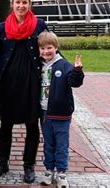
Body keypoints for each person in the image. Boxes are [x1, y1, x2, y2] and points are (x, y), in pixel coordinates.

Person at [0, 0, 48, 183]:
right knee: (6, 124)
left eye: (25, 2)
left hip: (32, 83)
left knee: (32, 125)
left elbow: (50, 50)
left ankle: (28, 166)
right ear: (12, 4)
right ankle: (2, 162)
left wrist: (67, 71)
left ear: (30, 4)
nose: (21, 6)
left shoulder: (39, 26)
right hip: (9, 83)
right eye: (18, 2)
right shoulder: (2, 28)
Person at [37, 31, 84, 187]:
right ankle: (49, 170)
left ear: (56, 48)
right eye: (42, 48)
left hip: (61, 114)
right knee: (48, 144)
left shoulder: (64, 65)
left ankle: (62, 172)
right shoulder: (39, 65)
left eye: (49, 47)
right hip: (44, 113)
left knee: (62, 144)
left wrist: (77, 71)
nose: (46, 51)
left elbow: (74, 82)